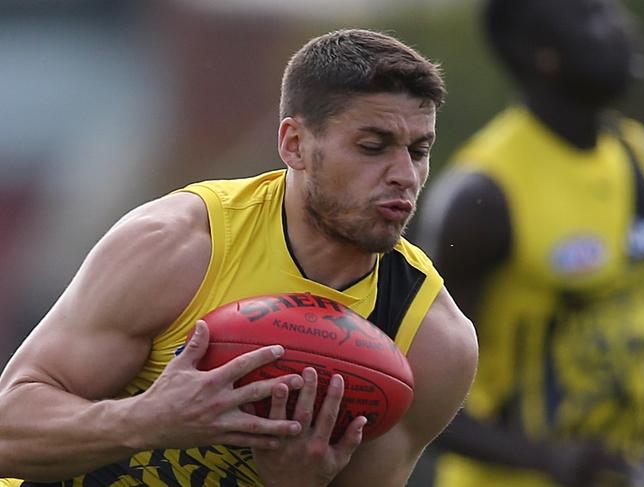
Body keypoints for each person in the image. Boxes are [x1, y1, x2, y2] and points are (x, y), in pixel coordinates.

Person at [0, 29, 478, 486]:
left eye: (419, 151)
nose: (404, 175)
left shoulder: (432, 342)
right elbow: (8, 431)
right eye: (373, 147)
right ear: (294, 144)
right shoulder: (178, 245)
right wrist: (147, 420)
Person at [416, 0, 644, 486]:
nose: (621, 26)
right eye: (592, 15)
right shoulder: (482, 197)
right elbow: (416, 394)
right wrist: (547, 458)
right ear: (540, 52)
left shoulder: (638, 156)